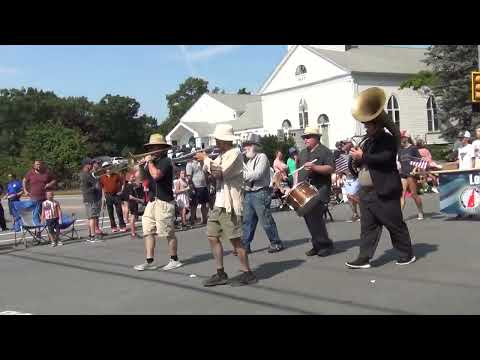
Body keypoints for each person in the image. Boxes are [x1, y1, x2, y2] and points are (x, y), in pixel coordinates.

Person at [346, 115, 416, 269]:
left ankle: (406, 254)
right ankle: (364, 258)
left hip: (384, 189)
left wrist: (363, 156)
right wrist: (356, 157)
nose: (365, 128)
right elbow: (363, 162)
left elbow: (385, 158)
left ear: (377, 125)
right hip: (367, 192)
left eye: (368, 125)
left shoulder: (388, 140)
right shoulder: (368, 141)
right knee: (367, 227)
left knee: (394, 223)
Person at [195, 124, 257, 287]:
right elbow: (213, 175)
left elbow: (220, 172)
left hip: (230, 203)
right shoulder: (221, 155)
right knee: (212, 236)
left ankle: (247, 272)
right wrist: (204, 165)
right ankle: (220, 272)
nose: (215, 141)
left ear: (224, 140)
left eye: (217, 139)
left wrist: (206, 160)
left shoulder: (234, 153)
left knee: (235, 239)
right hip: (219, 202)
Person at [134, 133, 183, 271]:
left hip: (164, 201)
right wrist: (140, 166)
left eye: (155, 147)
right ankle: (149, 261)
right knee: (147, 230)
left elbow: (156, 176)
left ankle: (174, 259)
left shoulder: (166, 161)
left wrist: (149, 162)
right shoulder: (151, 163)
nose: (152, 150)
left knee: (168, 232)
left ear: (162, 148)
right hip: (151, 200)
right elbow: (140, 179)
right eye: (150, 148)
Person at [242, 133, 284, 254]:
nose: (246, 148)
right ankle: (245, 245)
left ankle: (276, 243)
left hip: (261, 192)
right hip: (249, 193)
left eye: (248, 145)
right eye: (245, 145)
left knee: (265, 219)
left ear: (256, 146)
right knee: (247, 221)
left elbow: (257, 174)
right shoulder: (248, 161)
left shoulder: (262, 157)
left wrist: (241, 175)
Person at [297, 126, 335, 257]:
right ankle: (317, 244)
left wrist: (314, 167)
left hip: (319, 189)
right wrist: (295, 186)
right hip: (304, 191)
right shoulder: (302, 153)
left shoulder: (325, 151)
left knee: (316, 219)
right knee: (308, 218)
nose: (305, 139)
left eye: (308, 137)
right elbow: (298, 171)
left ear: (317, 138)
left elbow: (330, 168)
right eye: (305, 137)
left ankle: (325, 245)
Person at [398, 130, 424, 220]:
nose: (400, 139)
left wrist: (415, 170)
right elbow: (399, 162)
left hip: (411, 174)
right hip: (403, 174)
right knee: (402, 194)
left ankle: (420, 211)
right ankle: (399, 216)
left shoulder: (413, 148)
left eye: (402, 137)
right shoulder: (400, 149)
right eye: (400, 137)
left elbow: (419, 161)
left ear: (406, 138)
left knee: (413, 194)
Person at [23, 160, 56, 225]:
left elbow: (54, 180)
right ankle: (38, 230)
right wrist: (25, 190)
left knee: (47, 212)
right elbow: (24, 180)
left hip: (45, 197)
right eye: (37, 164)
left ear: (42, 165)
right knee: (36, 214)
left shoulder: (46, 172)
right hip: (34, 198)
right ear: (34, 165)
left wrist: (49, 184)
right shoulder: (30, 173)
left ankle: (49, 227)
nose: (38, 166)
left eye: (39, 164)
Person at [79, 158, 103, 243]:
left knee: (89, 218)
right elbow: (96, 185)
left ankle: (90, 235)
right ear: (87, 165)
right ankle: (93, 236)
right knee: (92, 218)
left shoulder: (82, 174)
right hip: (91, 198)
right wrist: (99, 177)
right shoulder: (87, 175)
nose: (91, 166)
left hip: (86, 198)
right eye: (90, 164)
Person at [99, 163, 127, 233]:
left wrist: (121, 191)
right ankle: (113, 227)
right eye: (107, 168)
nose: (109, 170)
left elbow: (123, 182)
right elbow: (102, 187)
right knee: (110, 213)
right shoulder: (102, 177)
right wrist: (103, 197)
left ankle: (122, 226)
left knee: (119, 211)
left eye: (110, 168)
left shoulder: (116, 175)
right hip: (108, 196)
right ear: (104, 169)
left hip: (116, 195)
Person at [341, 140, 361, 222]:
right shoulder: (342, 155)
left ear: (350, 145)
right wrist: (342, 174)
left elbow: (359, 164)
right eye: (342, 144)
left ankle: (366, 212)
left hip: (355, 177)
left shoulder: (355, 152)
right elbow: (341, 167)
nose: (343, 145)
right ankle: (355, 214)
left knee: (354, 196)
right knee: (350, 197)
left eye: (345, 143)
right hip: (347, 178)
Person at [185, 157, 209, 225]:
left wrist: (208, 184)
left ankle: (204, 220)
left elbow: (206, 174)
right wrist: (191, 187)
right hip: (195, 187)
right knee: (194, 205)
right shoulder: (189, 164)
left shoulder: (203, 163)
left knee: (204, 204)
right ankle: (192, 220)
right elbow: (189, 177)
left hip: (203, 186)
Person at [123, 172, 145, 239]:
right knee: (133, 217)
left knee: (134, 217)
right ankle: (133, 233)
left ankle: (133, 232)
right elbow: (130, 197)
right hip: (132, 203)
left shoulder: (131, 185)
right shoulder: (129, 186)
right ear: (129, 178)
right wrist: (140, 200)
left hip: (133, 203)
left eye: (134, 177)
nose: (134, 178)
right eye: (132, 177)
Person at [91, 160, 105, 235]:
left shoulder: (99, 173)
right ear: (93, 164)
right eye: (97, 163)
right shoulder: (91, 173)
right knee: (94, 213)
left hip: (99, 195)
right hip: (93, 196)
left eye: (99, 163)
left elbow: (101, 184)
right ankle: (94, 230)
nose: (99, 165)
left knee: (97, 213)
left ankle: (97, 228)